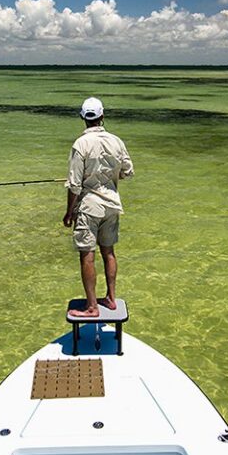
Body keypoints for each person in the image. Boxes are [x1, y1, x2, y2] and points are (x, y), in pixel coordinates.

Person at [63, 97, 134, 318]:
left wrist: (69, 212)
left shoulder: (80, 144)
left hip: (89, 206)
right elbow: (128, 171)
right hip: (112, 204)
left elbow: (75, 185)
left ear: (83, 118)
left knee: (87, 255)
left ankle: (92, 307)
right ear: (102, 116)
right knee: (109, 252)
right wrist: (112, 175)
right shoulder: (116, 141)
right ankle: (111, 298)